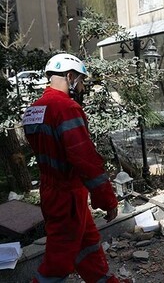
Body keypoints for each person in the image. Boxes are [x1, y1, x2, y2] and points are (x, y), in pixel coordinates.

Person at [22, 53, 119, 283]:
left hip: (52, 191)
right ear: (70, 76)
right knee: (58, 261)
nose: (83, 87)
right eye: (81, 80)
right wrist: (107, 200)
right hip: (68, 196)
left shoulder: (33, 111)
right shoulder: (66, 108)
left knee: (88, 244)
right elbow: (85, 159)